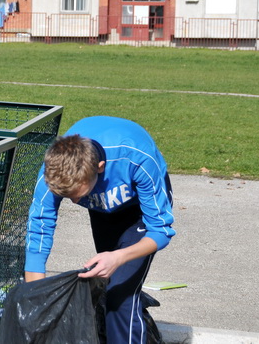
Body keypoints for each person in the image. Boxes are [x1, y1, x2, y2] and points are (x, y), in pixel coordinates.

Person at [25, 116, 174, 344]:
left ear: (100, 168)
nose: (75, 203)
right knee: (111, 287)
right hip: (104, 211)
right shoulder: (53, 172)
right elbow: (38, 235)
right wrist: (36, 301)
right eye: (68, 197)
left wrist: (118, 256)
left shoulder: (135, 156)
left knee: (120, 297)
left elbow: (161, 230)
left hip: (141, 212)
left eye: (79, 195)